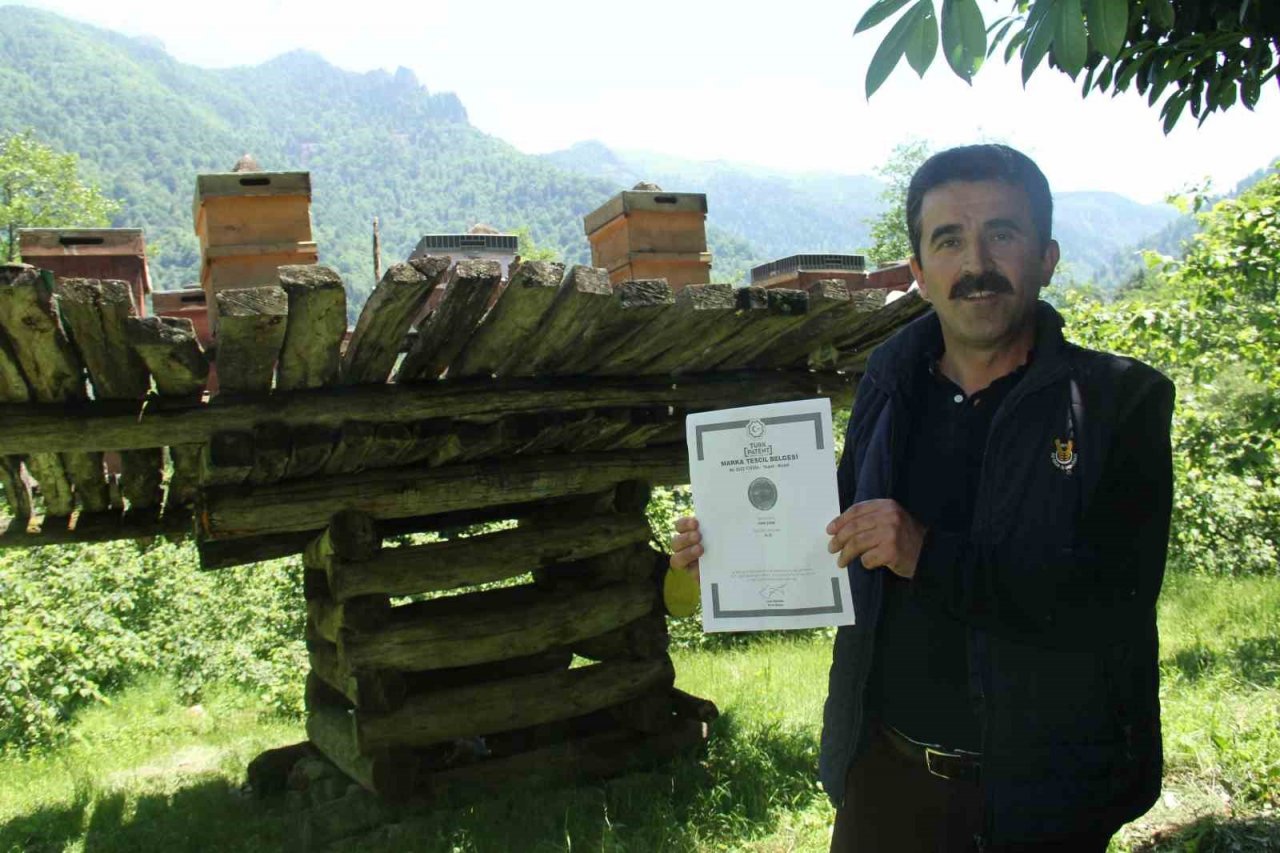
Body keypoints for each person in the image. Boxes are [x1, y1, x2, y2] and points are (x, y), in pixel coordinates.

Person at [668, 144, 1174, 852]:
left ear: (1047, 257)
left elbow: (1109, 600)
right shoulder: (890, 386)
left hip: (1048, 796)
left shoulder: (1118, 403)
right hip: (888, 779)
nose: (977, 263)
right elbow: (834, 533)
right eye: (949, 240)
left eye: (1002, 232)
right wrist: (726, 545)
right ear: (919, 273)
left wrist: (926, 552)